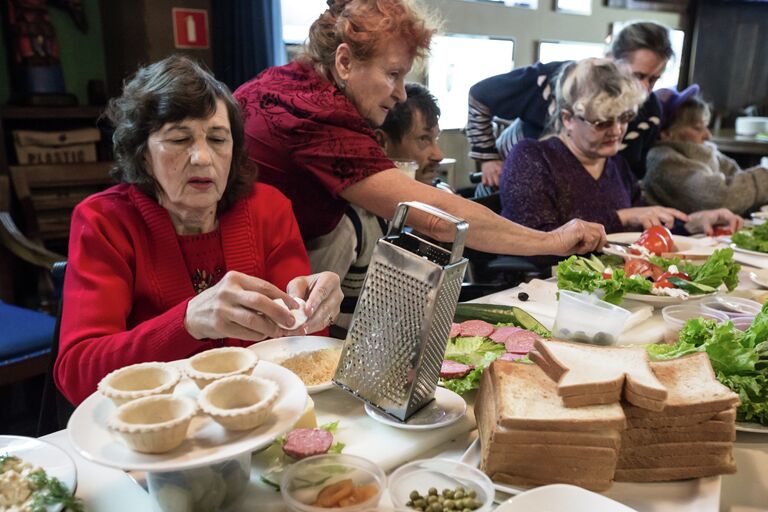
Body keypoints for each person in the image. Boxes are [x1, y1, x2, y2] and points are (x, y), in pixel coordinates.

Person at [234, 0, 607, 280]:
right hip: (248, 270)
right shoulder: (317, 113)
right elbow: (439, 219)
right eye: (392, 74)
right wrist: (551, 241)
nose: (400, 94)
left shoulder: (290, 82)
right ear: (344, 62)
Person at [55, 56, 343, 405]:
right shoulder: (105, 221)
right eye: (179, 139)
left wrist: (312, 311)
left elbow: (301, 344)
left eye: (218, 139)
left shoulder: (269, 208)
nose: (203, 158)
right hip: (156, 427)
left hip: (259, 414)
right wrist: (187, 321)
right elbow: (77, 375)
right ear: (143, 153)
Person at [499, 58, 742, 239]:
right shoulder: (532, 159)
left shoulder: (615, 164)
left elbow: (645, 218)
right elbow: (534, 243)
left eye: (624, 118)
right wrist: (621, 217)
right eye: (603, 122)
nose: (616, 131)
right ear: (568, 119)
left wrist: (693, 223)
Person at [468, 21, 674, 187]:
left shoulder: (651, 112)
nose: (646, 89)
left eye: (655, 79)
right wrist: (488, 157)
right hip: (509, 182)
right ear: (611, 58)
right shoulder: (553, 80)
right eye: (638, 76)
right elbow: (479, 96)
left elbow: (628, 176)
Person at [643, 86, 768, 215]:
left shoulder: (706, 151)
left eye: (706, 127)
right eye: (697, 128)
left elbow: (736, 175)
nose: (708, 135)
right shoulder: (664, 161)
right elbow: (719, 199)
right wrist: (763, 179)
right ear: (666, 133)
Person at [377, 82, 444, 185]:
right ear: (381, 142)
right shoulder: (360, 199)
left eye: (436, 138)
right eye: (423, 139)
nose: (438, 155)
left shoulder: (443, 191)